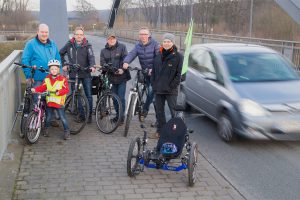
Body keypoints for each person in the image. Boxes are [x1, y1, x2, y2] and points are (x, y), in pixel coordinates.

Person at [22, 23, 61, 127]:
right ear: (37, 32)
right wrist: (28, 75)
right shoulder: (31, 44)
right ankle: (34, 122)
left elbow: (58, 59)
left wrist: (58, 72)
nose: (44, 34)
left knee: (50, 99)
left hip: (51, 78)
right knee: (37, 100)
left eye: (46, 32)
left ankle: (49, 119)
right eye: (42, 32)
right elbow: (25, 60)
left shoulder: (52, 44)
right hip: (37, 79)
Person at [60, 26, 96, 123]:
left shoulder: (87, 45)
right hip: (74, 73)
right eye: (77, 34)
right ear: (74, 35)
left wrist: (92, 66)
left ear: (83, 35)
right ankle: (81, 115)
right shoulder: (69, 45)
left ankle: (88, 116)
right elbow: (60, 53)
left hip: (85, 73)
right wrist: (64, 64)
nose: (79, 36)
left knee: (88, 95)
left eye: (81, 34)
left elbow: (91, 57)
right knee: (76, 95)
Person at [123, 27, 160, 120]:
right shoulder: (138, 45)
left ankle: (146, 109)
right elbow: (132, 54)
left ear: (149, 35)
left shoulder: (155, 44)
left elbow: (159, 58)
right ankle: (142, 107)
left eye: (145, 34)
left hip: (155, 74)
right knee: (148, 92)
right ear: (139, 36)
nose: (143, 36)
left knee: (152, 93)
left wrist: (153, 68)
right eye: (141, 34)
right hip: (145, 73)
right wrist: (126, 62)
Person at [150, 33, 183, 139]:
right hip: (158, 89)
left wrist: (172, 86)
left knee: (173, 112)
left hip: (170, 90)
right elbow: (153, 72)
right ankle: (160, 131)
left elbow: (179, 74)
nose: (166, 43)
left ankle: (175, 132)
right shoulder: (158, 56)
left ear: (173, 43)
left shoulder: (178, 57)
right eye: (164, 41)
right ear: (162, 43)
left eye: (169, 41)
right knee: (159, 112)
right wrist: (153, 85)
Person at [31, 60, 70, 140]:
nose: (54, 71)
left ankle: (67, 131)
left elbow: (66, 89)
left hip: (59, 103)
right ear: (49, 70)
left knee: (62, 118)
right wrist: (35, 89)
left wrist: (59, 92)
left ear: (58, 69)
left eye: (55, 69)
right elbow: (43, 87)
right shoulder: (47, 78)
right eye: (52, 69)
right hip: (50, 103)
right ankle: (46, 129)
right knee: (48, 117)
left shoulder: (63, 79)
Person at [100, 32, 130, 123]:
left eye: (113, 38)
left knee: (121, 97)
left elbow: (125, 59)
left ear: (115, 39)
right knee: (114, 97)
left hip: (122, 76)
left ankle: (121, 117)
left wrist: (122, 69)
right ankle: (118, 115)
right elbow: (102, 62)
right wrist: (107, 67)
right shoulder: (103, 51)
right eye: (110, 39)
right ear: (107, 40)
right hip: (111, 77)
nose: (111, 40)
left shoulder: (122, 47)